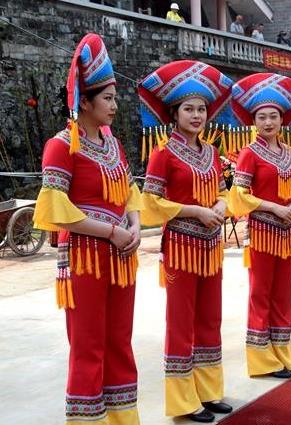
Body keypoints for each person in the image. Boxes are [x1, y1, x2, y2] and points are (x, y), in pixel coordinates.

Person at [32, 33, 143, 425]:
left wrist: (134, 225)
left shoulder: (113, 144)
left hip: (121, 255)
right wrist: (111, 232)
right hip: (85, 258)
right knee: (88, 345)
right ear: (86, 101)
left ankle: (123, 419)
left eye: (115, 98)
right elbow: (57, 211)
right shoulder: (61, 146)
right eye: (108, 98)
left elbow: (129, 192)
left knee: (119, 342)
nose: (114, 106)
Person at [139, 60, 234, 423]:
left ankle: (208, 391)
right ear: (174, 114)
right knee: (181, 322)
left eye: (201, 110)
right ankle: (183, 401)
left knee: (210, 318)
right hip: (180, 248)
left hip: (211, 247)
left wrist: (221, 205)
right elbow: (151, 202)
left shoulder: (211, 152)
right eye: (189, 109)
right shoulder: (162, 154)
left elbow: (223, 191)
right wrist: (195, 211)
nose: (196, 116)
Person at [228, 73, 291, 379]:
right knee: (260, 293)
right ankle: (262, 360)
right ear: (253, 121)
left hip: (287, 234)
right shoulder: (249, 154)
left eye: (273, 116)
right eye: (262, 117)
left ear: (282, 119)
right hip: (262, 234)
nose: (268, 122)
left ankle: (284, 354)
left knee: (283, 293)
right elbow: (240, 194)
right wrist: (275, 207)